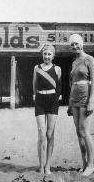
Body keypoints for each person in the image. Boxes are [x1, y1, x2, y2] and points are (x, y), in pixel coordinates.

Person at [68, 34, 94, 176]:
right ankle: (84, 163)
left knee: (85, 132)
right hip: (74, 98)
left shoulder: (89, 59)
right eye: (72, 45)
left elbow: (93, 81)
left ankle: (91, 164)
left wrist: (92, 100)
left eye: (76, 44)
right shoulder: (74, 62)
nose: (74, 47)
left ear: (81, 44)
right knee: (79, 133)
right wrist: (69, 103)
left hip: (85, 97)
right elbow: (72, 82)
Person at [33, 44, 61, 174]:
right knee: (41, 135)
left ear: (53, 56)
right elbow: (34, 85)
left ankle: (48, 166)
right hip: (39, 101)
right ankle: (40, 165)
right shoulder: (36, 68)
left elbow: (59, 87)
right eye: (45, 54)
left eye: (49, 54)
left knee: (50, 134)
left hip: (52, 102)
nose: (47, 56)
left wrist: (55, 99)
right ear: (42, 55)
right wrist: (37, 96)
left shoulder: (58, 69)